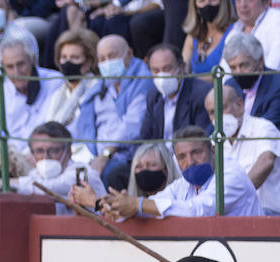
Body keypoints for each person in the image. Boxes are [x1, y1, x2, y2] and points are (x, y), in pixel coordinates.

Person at [103, 125, 262, 217]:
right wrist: (116, 205)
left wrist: (137, 204)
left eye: (196, 153)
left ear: (213, 151)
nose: (190, 162)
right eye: (182, 157)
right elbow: (157, 204)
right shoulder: (185, 183)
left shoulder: (231, 174)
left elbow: (198, 210)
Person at [208, 82, 280, 213]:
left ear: (240, 105)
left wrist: (234, 199)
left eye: (222, 108)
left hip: (267, 213)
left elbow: (266, 163)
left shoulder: (263, 127)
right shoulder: (214, 141)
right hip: (233, 214)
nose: (218, 117)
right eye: (212, 112)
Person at [0, 38, 56, 152]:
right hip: (11, 157)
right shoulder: (2, 90)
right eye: (10, 67)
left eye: (21, 64)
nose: (17, 72)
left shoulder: (55, 83)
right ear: (3, 67)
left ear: (33, 60)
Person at [88, 35, 149, 171]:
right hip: (96, 155)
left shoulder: (143, 81)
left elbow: (133, 124)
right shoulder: (102, 86)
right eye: (102, 59)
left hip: (127, 156)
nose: (107, 63)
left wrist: (106, 154)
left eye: (112, 56)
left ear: (129, 54)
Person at [224, 32, 280, 125]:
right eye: (233, 67)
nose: (239, 72)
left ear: (260, 62)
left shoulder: (277, 84)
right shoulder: (230, 85)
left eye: (244, 65)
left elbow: (268, 126)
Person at [182, 0, 238, 73]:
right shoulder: (193, 35)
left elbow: (223, 74)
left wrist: (191, 80)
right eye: (202, 1)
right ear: (195, 7)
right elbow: (183, 70)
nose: (208, 4)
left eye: (213, 0)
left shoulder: (234, 31)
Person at [235, 0, 280, 70]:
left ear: (266, 2)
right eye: (238, 0)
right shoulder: (235, 28)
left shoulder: (277, 21)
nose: (242, 5)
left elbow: (271, 72)